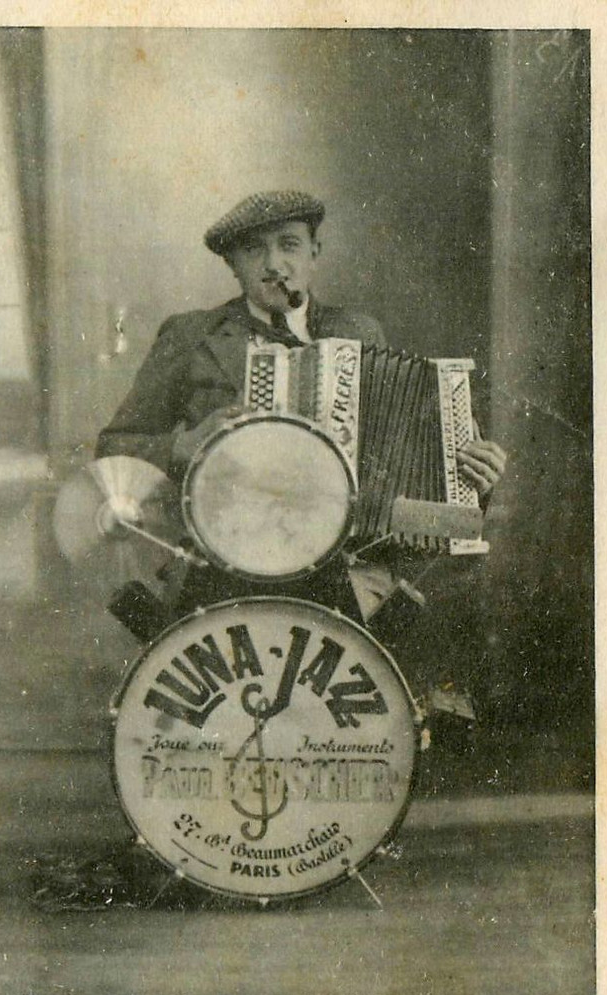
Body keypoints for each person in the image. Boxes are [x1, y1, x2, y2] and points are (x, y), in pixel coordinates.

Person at [96, 191, 506, 666]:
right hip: (225, 567)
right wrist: (187, 444)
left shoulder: (359, 333)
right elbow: (112, 452)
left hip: (345, 569)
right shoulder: (192, 336)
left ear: (315, 253)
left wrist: (471, 475)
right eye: (254, 251)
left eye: (289, 244)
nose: (274, 264)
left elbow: (400, 463)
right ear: (233, 265)